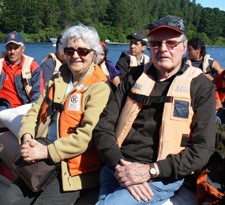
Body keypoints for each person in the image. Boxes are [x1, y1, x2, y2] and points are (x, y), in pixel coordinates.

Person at [93, 15, 216, 204]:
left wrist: (149, 171)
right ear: (150, 47)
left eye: (171, 43)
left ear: (184, 47)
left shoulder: (200, 86)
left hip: (160, 177)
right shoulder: (134, 77)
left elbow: (202, 148)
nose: (163, 49)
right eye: (156, 44)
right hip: (116, 167)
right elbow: (103, 127)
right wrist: (120, 165)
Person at [0, 24, 110, 205]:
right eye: (70, 50)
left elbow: (86, 137)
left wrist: (46, 151)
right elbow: (34, 111)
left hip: (71, 168)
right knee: (9, 199)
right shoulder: (58, 78)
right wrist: (27, 137)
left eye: (82, 51)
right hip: (41, 158)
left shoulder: (99, 87)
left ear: (94, 54)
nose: (75, 55)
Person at [0, 31, 44, 111]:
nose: (12, 51)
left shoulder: (32, 66)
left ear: (23, 49)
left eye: (16, 48)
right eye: (9, 48)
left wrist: (32, 113)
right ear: (6, 49)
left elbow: (38, 95)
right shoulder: (1, 63)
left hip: (22, 110)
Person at [187, 37, 224, 111]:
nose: (187, 52)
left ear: (198, 50)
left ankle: (218, 105)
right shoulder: (184, 63)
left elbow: (222, 76)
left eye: (190, 49)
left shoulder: (211, 63)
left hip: (209, 93)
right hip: (191, 91)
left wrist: (213, 79)